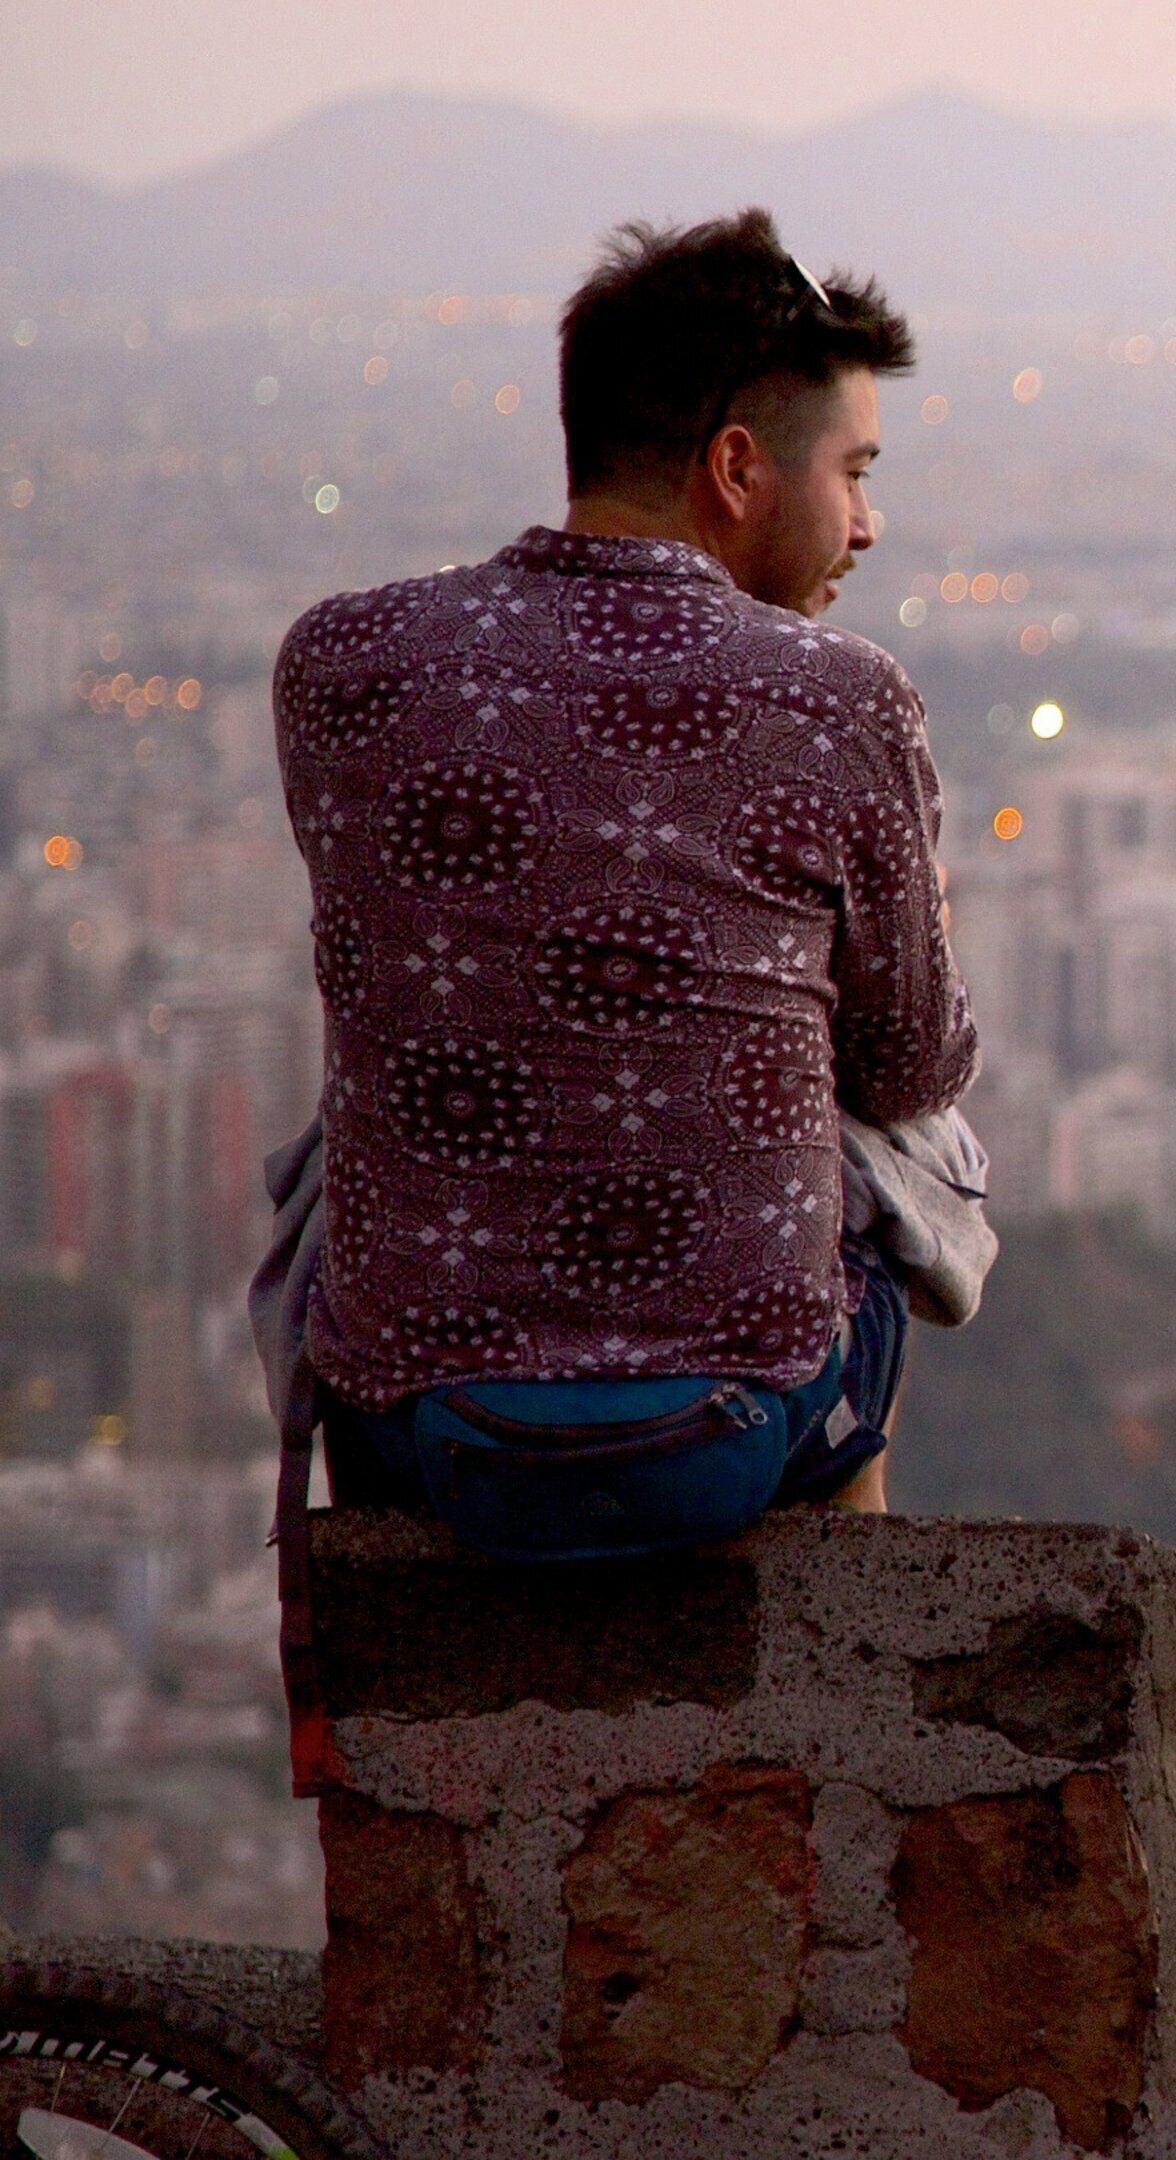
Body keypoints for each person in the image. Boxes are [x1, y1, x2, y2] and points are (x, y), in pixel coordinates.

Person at [270, 208, 973, 1560]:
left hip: (413, 1421)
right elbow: (912, 1061)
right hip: (735, 1425)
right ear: (737, 467)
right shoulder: (836, 702)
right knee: (906, 1156)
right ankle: (846, 1651)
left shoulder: (341, 664)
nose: (868, 524)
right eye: (857, 472)